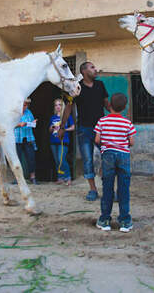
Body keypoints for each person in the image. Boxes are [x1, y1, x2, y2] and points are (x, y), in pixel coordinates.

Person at [59, 61, 110, 201]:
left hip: (101, 129)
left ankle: (108, 189)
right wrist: (62, 127)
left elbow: (107, 104)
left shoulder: (100, 85)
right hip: (84, 129)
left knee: (108, 157)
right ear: (84, 71)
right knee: (87, 160)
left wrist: (115, 118)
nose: (95, 69)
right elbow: (68, 108)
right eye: (92, 67)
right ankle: (93, 190)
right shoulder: (76, 87)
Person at [94, 93, 136, 233]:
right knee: (124, 188)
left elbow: (97, 140)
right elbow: (131, 142)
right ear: (124, 107)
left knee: (107, 187)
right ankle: (125, 221)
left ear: (109, 106)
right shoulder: (127, 123)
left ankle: (105, 220)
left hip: (108, 156)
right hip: (124, 155)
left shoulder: (102, 121)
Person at [49, 98, 75, 185]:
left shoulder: (67, 116)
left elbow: (73, 127)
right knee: (57, 160)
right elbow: (49, 129)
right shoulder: (53, 117)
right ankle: (60, 178)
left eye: (60, 104)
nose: (58, 107)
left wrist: (64, 129)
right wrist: (52, 127)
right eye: (56, 105)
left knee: (61, 159)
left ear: (63, 106)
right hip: (53, 141)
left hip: (63, 141)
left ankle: (68, 177)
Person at [14, 98, 38, 185]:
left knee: (31, 158)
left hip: (28, 137)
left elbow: (32, 123)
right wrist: (19, 124)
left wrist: (33, 122)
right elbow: (10, 125)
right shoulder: (14, 113)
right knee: (17, 159)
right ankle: (18, 178)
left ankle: (33, 177)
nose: (25, 107)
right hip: (17, 138)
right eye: (24, 105)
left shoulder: (29, 112)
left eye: (26, 105)